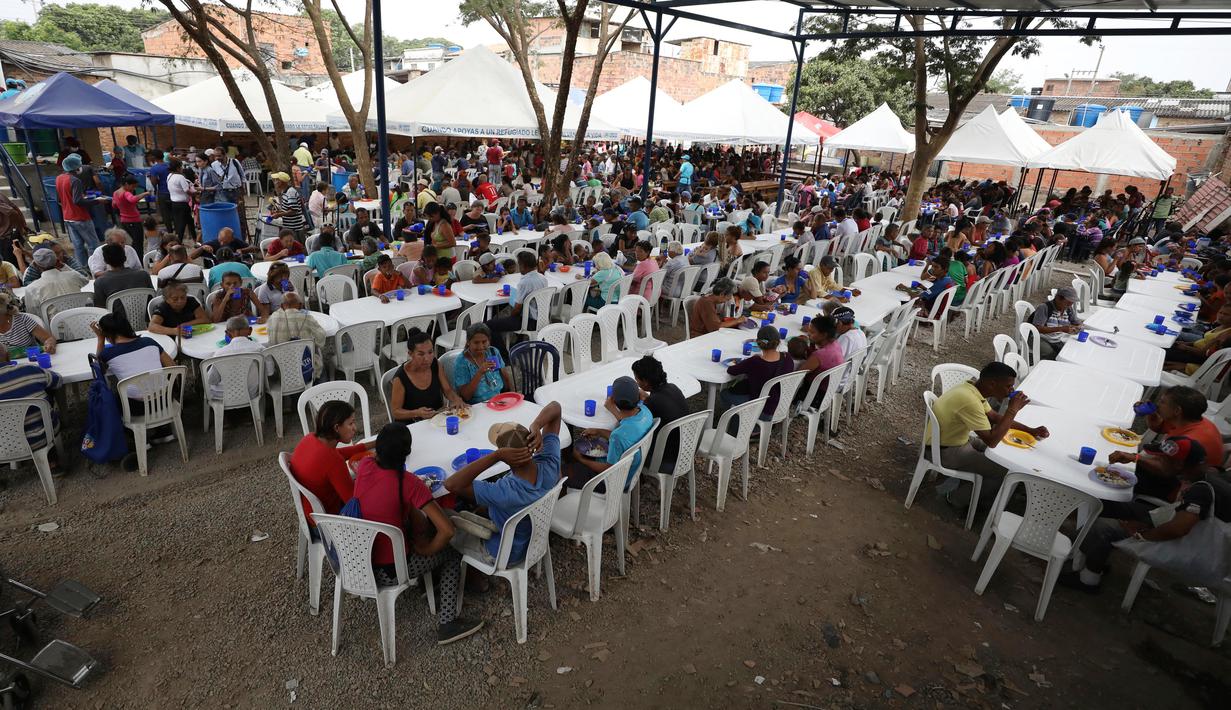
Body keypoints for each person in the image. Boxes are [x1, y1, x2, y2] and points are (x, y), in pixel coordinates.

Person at [352, 423, 484, 645]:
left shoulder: (365, 466)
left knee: (421, 527)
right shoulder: (409, 483)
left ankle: (428, 583)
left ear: (378, 449)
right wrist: (427, 549)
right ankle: (448, 623)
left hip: (359, 560)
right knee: (451, 553)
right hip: (390, 570)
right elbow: (447, 530)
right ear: (407, 454)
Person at [1063, 435, 1227, 593]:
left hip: (1198, 546)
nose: (1158, 461)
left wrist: (1142, 535)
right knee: (1102, 506)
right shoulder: (1202, 470)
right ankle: (1095, 554)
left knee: (1102, 528)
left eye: (1161, 459)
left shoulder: (1201, 490)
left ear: (1178, 464)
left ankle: (1089, 580)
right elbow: (1176, 502)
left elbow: (1179, 529)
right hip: (1175, 517)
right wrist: (1135, 458)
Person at [444, 402, 563, 585]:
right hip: (534, 540)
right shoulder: (549, 463)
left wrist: (495, 456)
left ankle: (473, 577)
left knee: (445, 520)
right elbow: (556, 408)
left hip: (504, 552)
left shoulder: (504, 491)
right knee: (479, 508)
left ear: (506, 457)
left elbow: (451, 484)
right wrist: (536, 426)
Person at [930, 361, 1049, 505]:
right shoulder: (970, 401)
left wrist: (1031, 430)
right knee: (1005, 472)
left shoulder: (971, 388)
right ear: (992, 384)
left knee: (1004, 451)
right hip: (945, 452)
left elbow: (995, 417)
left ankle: (972, 484)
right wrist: (1012, 410)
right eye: (1008, 386)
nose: (1011, 390)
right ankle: (955, 499)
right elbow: (991, 441)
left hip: (955, 440)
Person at [566, 377, 654, 489]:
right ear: (638, 397)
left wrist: (581, 459)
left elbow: (608, 469)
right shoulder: (646, 412)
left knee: (563, 472)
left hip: (614, 481)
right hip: (631, 468)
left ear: (613, 400)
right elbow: (627, 437)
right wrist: (599, 431)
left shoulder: (618, 436)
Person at [389, 327, 467, 423]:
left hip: (436, 419)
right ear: (410, 354)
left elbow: (447, 390)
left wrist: (456, 399)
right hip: (413, 425)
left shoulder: (435, 364)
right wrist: (417, 413)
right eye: (421, 354)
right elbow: (396, 412)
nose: (427, 358)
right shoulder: (400, 378)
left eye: (430, 352)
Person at [722, 325, 794, 419]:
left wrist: (751, 360)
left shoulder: (755, 362)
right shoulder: (787, 357)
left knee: (724, 394)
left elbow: (731, 371)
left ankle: (741, 424)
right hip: (781, 405)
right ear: (779, 342)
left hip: (762, 410)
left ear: (758, 343)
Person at [484, 251, 547, 357]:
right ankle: (518, 343)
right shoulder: (542, 278)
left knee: (490, 325)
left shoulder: (524, 282)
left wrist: (510, 317)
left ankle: (504, 356)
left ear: (523, 266)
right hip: (542, 317)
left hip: (529, 321)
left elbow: (517, 308)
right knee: (511, 315)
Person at [631, 355, 687, 467]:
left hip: (665, 458)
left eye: (637, 379)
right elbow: (660, 403)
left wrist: (612, 407)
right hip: (686, 449)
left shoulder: (653, 402)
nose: (636, 382)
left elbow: (632, 426)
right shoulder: (673, 387)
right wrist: (647, 398)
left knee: (626, 444)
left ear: (645, 382)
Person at [56, 153, 101, 262]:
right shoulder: (75, 181)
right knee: (93, 244)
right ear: (76, 167)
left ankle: (82, 268)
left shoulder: (59, 178)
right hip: (80, 217)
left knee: (78, 245)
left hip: (67, 217)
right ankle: (95, 267)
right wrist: (97, 201)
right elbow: (78, 201)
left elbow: (61, 198)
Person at [451, 324, 513, 404]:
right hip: (477, 407)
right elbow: (466, 396)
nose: (480, 346)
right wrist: (480, 373)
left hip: (498, 401)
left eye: (484, 342)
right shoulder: (461, 362)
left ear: (489, 340)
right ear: (468, 342)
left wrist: (511, 396)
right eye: (476, 342)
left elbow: (505, 377)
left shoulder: (493, 352)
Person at [206, 316, 265, 398]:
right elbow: (269, 372)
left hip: (223, 395)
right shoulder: (259, 348)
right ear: (250, 330)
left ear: (227, 334)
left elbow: (212, 380)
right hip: (252, 393)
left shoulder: (220, 353)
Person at [266, 293, 326, 372]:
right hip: (305, 368)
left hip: (282, 370)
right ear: (300, 305)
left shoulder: (272, 318)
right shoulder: (307, 318)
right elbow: (321, 337)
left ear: (281, 306)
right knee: (323, 367)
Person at [22, 248, 88, 316]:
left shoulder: (31, 288)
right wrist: (64, 266)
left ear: (35, 265)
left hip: (55, 325)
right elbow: (85, 280)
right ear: (57, 261)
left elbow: (32, 314)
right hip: (82, 318)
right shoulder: (73, 276)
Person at [794, 315, 844, 405]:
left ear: (824, 335)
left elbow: (798, 374)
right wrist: (811, 344)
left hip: (814, 395)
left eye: (812, 332)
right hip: (829, 390)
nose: (808, 334)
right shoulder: (835, 343)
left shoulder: (820, 355)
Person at [92, 243, 152, 309]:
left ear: (105, 261)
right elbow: (152, 298)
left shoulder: (100, 282)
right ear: (125, 258)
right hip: (145, 317)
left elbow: (100, 309)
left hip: (116, 318)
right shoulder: (143, 275)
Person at [1029, 286, 1083, 359]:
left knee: (1068, 353)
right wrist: (1061, 329)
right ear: (1058, 298)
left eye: (1072, 303)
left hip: (1056, 339)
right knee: (1052, 355)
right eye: (1068, 302)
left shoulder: (1068, 309)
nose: (1070, 305)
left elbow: (1077, 322)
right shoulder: (1044, 308)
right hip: (1038, 337)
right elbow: (1037, 328)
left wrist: (1078, 327)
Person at [268, 172, 306, 238]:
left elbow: (293, 210)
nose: (275, 182)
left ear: (282, 182)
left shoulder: (290, 192)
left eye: (277, 180)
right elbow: (288, 209)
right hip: (289, 226)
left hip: (294, 228)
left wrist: (279, 214)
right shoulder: (284, 191)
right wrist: (279, 212)